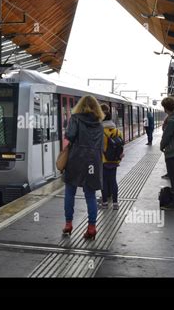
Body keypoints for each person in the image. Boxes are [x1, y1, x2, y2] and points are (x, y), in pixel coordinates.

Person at [62, 95, 104, 240]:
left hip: (76, 159)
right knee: (90, 195)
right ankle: (91, 227)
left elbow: (70, 136)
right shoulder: (99, 123)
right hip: (93, 161)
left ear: (80, 106)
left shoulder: (75, 119)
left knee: (70, 191)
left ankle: (68, 224)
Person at [100, 104, 124, 210]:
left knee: (104, 182)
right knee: (113, 181)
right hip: (114, 161)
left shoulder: (100, 132)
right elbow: (121, 146)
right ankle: (115, 203)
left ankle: (104, 203)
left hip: (103, 160)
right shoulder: (118, 131)